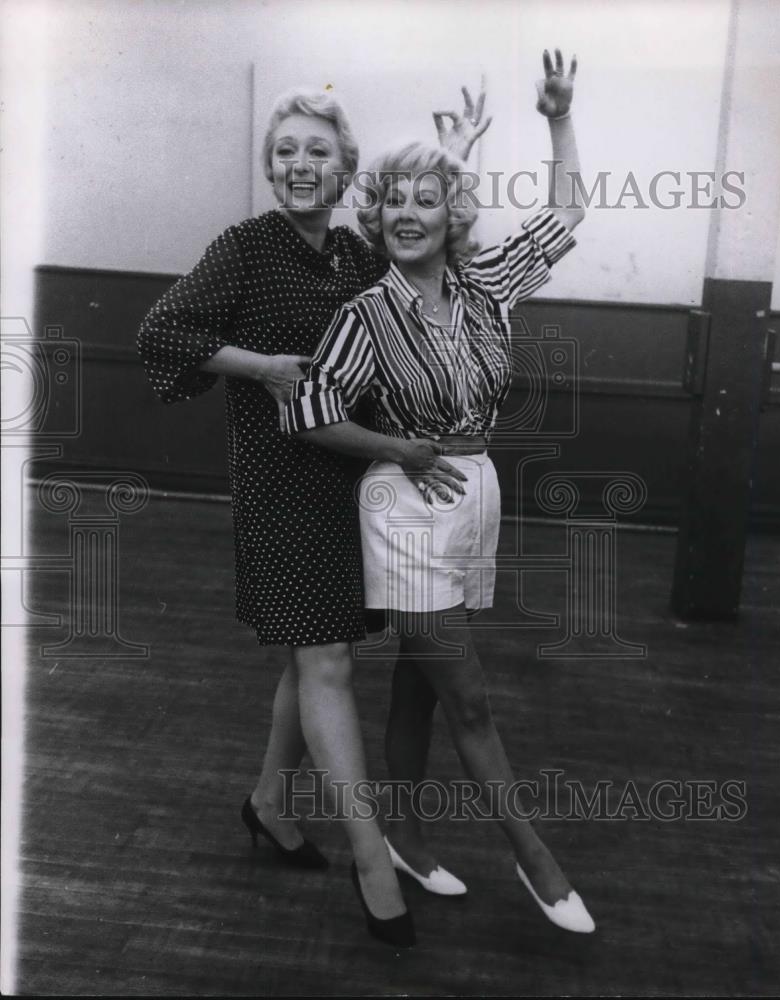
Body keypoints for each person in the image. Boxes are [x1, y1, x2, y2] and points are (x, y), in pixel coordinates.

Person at [137, 85, 489, 947]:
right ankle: (371, 859)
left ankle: (267, 804)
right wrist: (259, 366)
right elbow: (160, 333)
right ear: (270, 164)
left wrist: (461, 157)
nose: (301, 164)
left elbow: (440, 254)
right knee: (326, 658)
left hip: (357, 479)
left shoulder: (355, 256)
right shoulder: (244, 248)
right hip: (279, 483)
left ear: (345, 169)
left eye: (317, 152)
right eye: (286, 150)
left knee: (314, 658)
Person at [285, 49, 596, 933]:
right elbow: (308, 412)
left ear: (451, 215)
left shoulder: (486, 286)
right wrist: (398, 448)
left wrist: (557, 116)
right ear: (374, 217)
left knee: (420, 687)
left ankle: (410, 841)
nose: (408, 216)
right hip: (404, 507)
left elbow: (568, 210)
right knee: (468, 696)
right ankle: (534, 856)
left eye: (428, 201)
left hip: (476, 495)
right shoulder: (363, 314)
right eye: (393, 203)